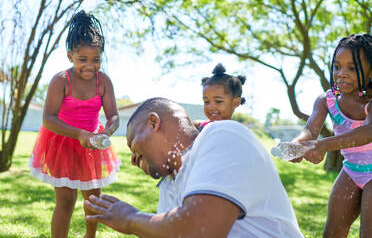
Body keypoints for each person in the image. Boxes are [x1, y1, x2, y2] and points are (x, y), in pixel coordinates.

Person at [84, 97, 304, 238]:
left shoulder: (223, 136)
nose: (133, 159)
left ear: (154, 122)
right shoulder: (169, 185)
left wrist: (131, 219)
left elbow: (199, 230)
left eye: (133, 144)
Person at [29, 10, 121, 238]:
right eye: (83, 60)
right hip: (63, 143)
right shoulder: (61, 81)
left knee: (93, 200)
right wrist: (79, 134)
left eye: (96, 59)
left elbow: (114, 116)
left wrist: (108, 131)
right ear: (70, 56)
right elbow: (48, 119)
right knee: (66, 200)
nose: (90, 66)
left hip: (92, 145)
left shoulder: (103, 81)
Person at [292, 34, 372, 237]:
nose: (341, 74)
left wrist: (324, 145)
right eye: (337, 66)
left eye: (352, 68)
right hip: (351, 172)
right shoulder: (327, 100)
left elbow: (368, 132)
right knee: (332, 231)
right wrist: (297, 145)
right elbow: (310, 130)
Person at [194, 63, 246, 131]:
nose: (210, 107)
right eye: (206, 102)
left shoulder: (234, 131)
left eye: (218, 101)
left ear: (235, 103)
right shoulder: (202, 126)